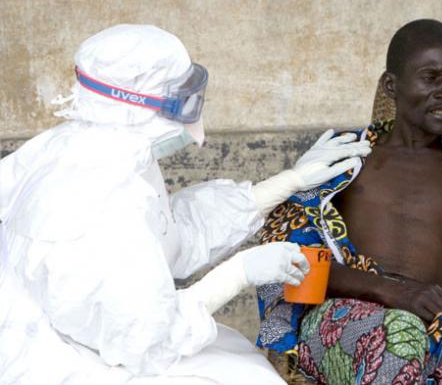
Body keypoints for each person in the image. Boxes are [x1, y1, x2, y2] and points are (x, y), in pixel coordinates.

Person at [0, 24, 370, 384]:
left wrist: (280, 185)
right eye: (183, 100)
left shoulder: (96, 150)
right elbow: (145, 340)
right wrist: (238, 273)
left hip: (90, 340)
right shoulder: (104, 198)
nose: (196, 119)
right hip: (66, 362)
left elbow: (167, 234)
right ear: (137, 104)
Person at [255, 19, 442, 385]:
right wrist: (393, 291)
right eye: (431, 78)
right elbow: (288, 261)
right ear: (391, 86)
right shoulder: (344, 159)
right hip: (343, 320)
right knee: (398, 336)